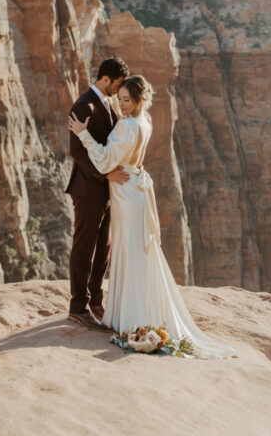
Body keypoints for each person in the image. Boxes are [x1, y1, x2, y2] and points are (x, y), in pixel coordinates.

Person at [68, 74, 235, 358]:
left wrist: (82, 133)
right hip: (134, 188)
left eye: (126, 100)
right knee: (135, 250)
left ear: (139, 101)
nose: (120, 105)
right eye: (118, 99)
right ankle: (133, 312)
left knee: (129, 250)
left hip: (125, 192)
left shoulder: (126, 126)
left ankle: (130, 318)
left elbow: (106, 159)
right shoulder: (145, 121)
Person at [66, 56, 130, 330]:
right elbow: (76, 151)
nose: (118, 89)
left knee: (103, 247)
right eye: (117, 83)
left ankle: (95, 300)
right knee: (84, 246)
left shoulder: (106, 102)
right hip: (88, 189)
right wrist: (105, 174)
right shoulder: (83, 105)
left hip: (107, 190)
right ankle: (78, 306)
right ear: (106, 79)